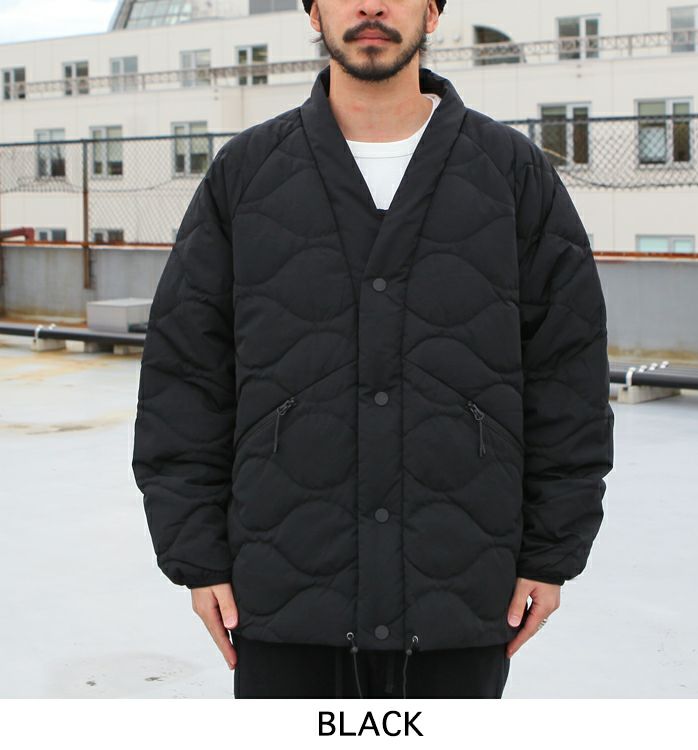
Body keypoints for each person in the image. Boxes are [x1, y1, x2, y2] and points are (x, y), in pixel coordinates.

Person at [132, 0, 615, 699]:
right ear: (312, 11)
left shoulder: (511, 172)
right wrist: (196, 554)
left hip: (460, 594)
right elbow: (184, 374)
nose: (370, 5)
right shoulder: (248, 172)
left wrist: (551, 551)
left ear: (433, 12)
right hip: (285, 594)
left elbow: (567, 374)